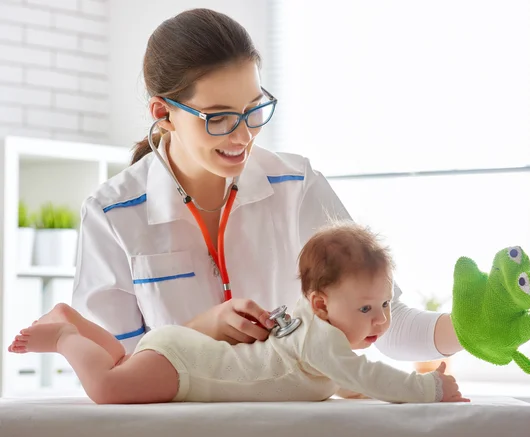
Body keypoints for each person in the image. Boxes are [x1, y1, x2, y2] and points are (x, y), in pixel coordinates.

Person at [70, 8, 462, 363]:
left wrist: (476, 328)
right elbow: (110, 369)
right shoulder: (111, 214)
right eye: (218, 118)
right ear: (163, 113)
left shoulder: (296, 187)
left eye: (253, 110)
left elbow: (382, 321)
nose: (243, 136)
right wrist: (200, 332)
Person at [9, 223, 469, 405]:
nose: (380, 320)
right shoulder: (322, 339)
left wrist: (352, 390)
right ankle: (66, 336)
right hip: (188, 366)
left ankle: (67, 315)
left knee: (122, 366)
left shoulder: (312, 329)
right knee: (108, 387)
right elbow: (371, 377)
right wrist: (430, 388)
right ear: (322, 304)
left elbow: (342, 379)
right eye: (367, 308)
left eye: (385, 304)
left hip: (183, 352)